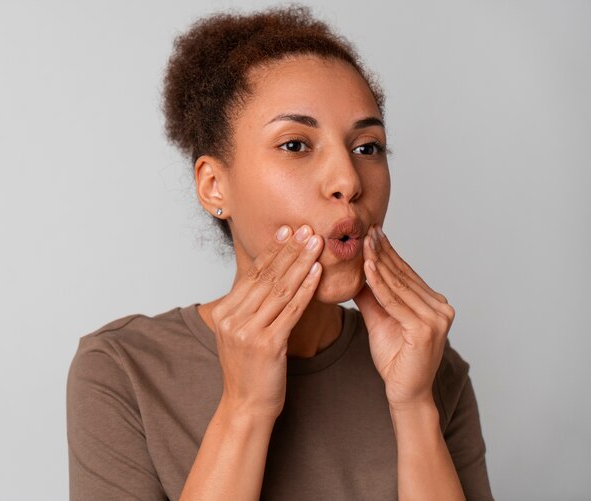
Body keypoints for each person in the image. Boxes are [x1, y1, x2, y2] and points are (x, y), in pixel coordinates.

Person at [66, 5, 494, 500]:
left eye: (367, 147)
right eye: (295, 145)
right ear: (213, 186)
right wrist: (244, 407)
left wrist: (415, 406)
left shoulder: (434, 368)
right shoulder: (124, 371)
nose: (348, 182)